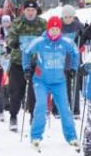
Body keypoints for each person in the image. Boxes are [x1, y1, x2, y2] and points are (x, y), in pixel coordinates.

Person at [22, 15, 81, 148]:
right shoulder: (40, 41)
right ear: (48, 29)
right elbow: (26, 52)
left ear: (60, 30)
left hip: (59, 81)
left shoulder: (66, 42)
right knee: (41, 106)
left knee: (65, 109)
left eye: (57, 29)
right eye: (52, 29)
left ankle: (71, 137)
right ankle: (36, 136)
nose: (54, 31)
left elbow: (76, 53)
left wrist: (73, 68)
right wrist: (26, 68)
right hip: (41, 80)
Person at [5, 0, 47, 131]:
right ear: (24, 11)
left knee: (35, 92)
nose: (30, 13)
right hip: (18, 61)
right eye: (28, 10)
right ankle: (13, 116)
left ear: (36, 11)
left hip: (37, 63)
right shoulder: (17, 22)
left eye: (32, 10)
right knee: (16, 91)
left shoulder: (42, 23)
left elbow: (48, 38)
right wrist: (14, 43)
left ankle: (34, 116)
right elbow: (10, 38)